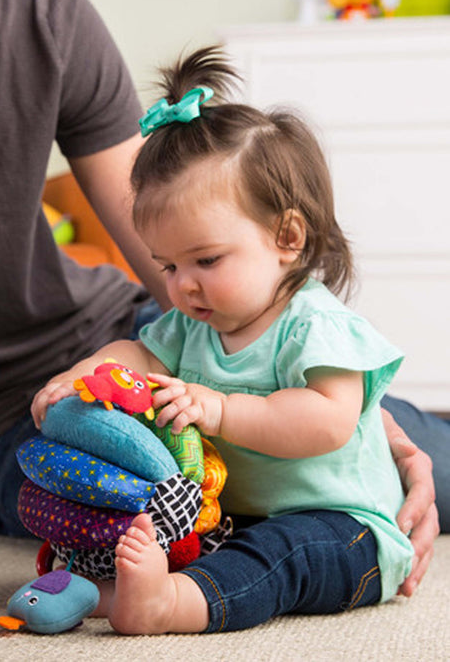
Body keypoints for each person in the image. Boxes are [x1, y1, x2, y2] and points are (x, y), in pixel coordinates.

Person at [0, 0, 438, 631]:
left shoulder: (39, 19)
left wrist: (348, 407)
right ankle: (175, 591)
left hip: (179, 353)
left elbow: (195, 271)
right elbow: (179, 276)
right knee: (150, 493)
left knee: (424, 455)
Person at [31, 45, 435, 635]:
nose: (183, 286)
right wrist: (84, 376)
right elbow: (137, 354)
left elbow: (328, 421)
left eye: (206, 259)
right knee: (177, 535)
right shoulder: (193, 322)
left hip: (343, 527)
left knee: (279, 557)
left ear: (287, 236)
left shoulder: (315, 325)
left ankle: (168, 606)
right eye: (167, 267)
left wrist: (219, 407)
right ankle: (110, 584)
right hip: (233, 516)